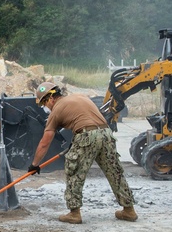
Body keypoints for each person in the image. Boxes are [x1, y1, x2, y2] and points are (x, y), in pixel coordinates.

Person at [27, 81, 138, 224]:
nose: (45, 107)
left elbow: (45, 142)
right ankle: (129, 210)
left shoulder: (56, 110)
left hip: (86, 136)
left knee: (74, 171)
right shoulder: (80, 96)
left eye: (44, 103)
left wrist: (35, 164)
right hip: (105, 133)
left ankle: (74, 213)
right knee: (114, 172)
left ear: (51, 98)